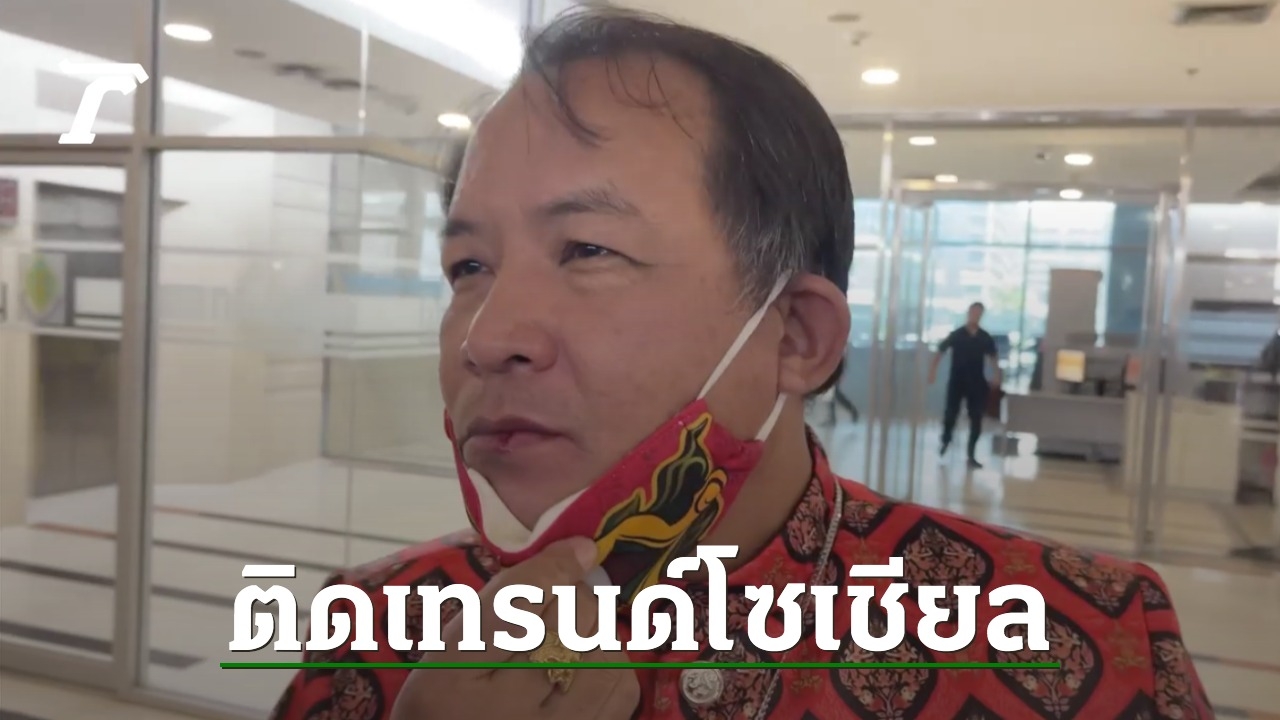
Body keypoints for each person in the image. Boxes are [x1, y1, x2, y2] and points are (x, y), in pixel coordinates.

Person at [270, 9, 1211, 720]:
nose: (485, 336)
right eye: (468, 267)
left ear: (796, 336)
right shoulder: (375, 633)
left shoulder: (1079, 638)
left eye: (588, 250)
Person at [929, 301, 1001, 469]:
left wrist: (997, 376)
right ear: (969, 313)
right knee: (950, 413)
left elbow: (993, 357)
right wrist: (932, 371)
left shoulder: (984, 337)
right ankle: (946, 440)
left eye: (978, 313)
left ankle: (971, 454)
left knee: (976, 417)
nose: (975, 315)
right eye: (973, 312)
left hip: (976, 382)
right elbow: (941, 351)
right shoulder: (957, 334)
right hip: (957, 381)